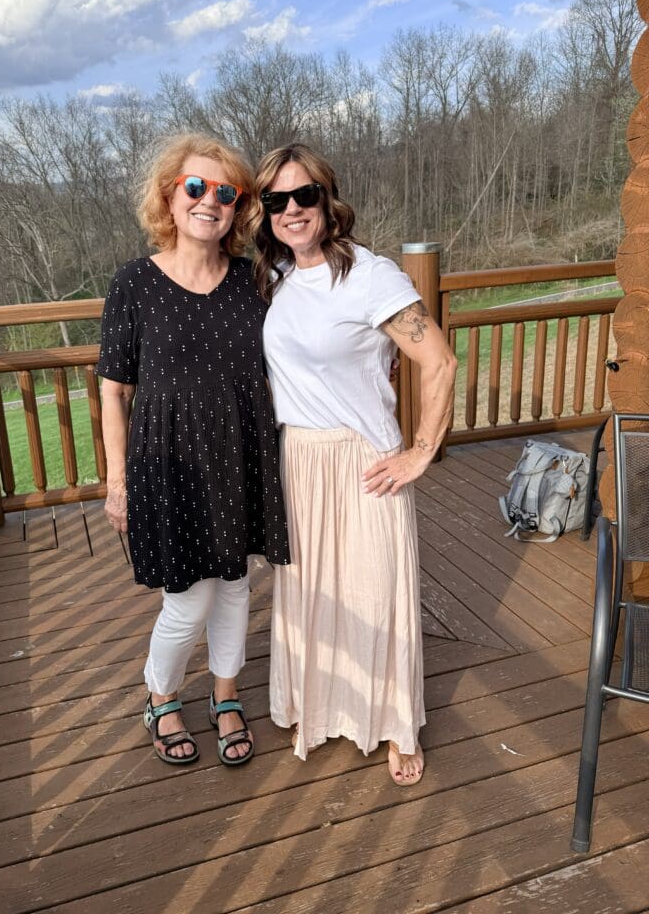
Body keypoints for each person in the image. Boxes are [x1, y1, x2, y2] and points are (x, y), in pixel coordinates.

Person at [250, 143, 457, 784]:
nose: (292, 209)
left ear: (327, 200)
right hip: (300, 457)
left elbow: (440, 362)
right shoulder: (273, 278)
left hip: (364, 458)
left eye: (303, 195)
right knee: (314, 591)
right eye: (276, 200)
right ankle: (316, 706)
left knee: (376, 589)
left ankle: (396, 725)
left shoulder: (371, 275)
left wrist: (421, 450)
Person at [97, 133, 290, 767]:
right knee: (189, 598)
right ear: (169, 197)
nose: (211, 201)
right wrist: (117, 482)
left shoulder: (254, 281)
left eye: (227, 193)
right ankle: (161, 696)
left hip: (240, 455)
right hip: (166, 464)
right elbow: (113, 391)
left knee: (235, 586)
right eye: (197, 187)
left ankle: (227, 696)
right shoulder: (134, 284)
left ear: (240, 209)